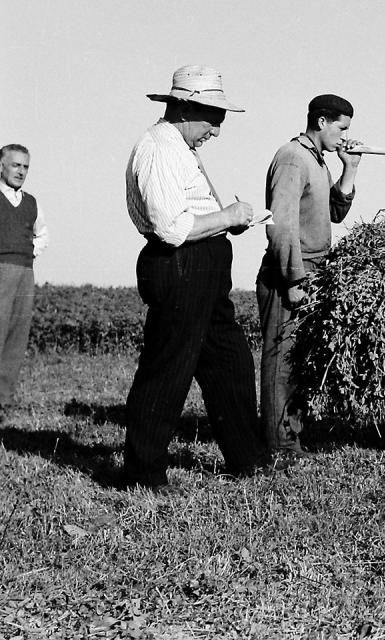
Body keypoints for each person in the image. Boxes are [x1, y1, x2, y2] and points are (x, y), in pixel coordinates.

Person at [123, 65, 272, 489]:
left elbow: (189, 216)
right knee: (168, 368)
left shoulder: (179, 147)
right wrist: (228, 216)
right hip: (180, 265)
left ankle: (248, 459)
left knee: (230, 361)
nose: (217, 131)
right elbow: (171, 228)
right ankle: (143, 474)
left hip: (203, 268)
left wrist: (229, 223)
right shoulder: (158, 148)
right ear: (186, 107)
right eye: (214, 119)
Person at [256, 94, 361, 456]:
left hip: (312, 273)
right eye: (341, 128)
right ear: (321, 122)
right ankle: (278, 447)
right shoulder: (292, 158)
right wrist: (294, 280)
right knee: (281, 361)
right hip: (289, 272)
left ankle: (291, 438)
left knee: (299, 361)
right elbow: (281, 225)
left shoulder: (318, 161)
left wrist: (350, 169)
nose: (344, 136)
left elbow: (334, 213)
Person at [0, 144, 49, 419]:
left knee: (17, 337)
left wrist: (28, 253)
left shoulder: (31, 203)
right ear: (1, 166)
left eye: (25, 166)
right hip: (1, 272)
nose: (21, 171)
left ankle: (3, 402)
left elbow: (43, 235)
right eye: (15, 165)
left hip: (25, 273)